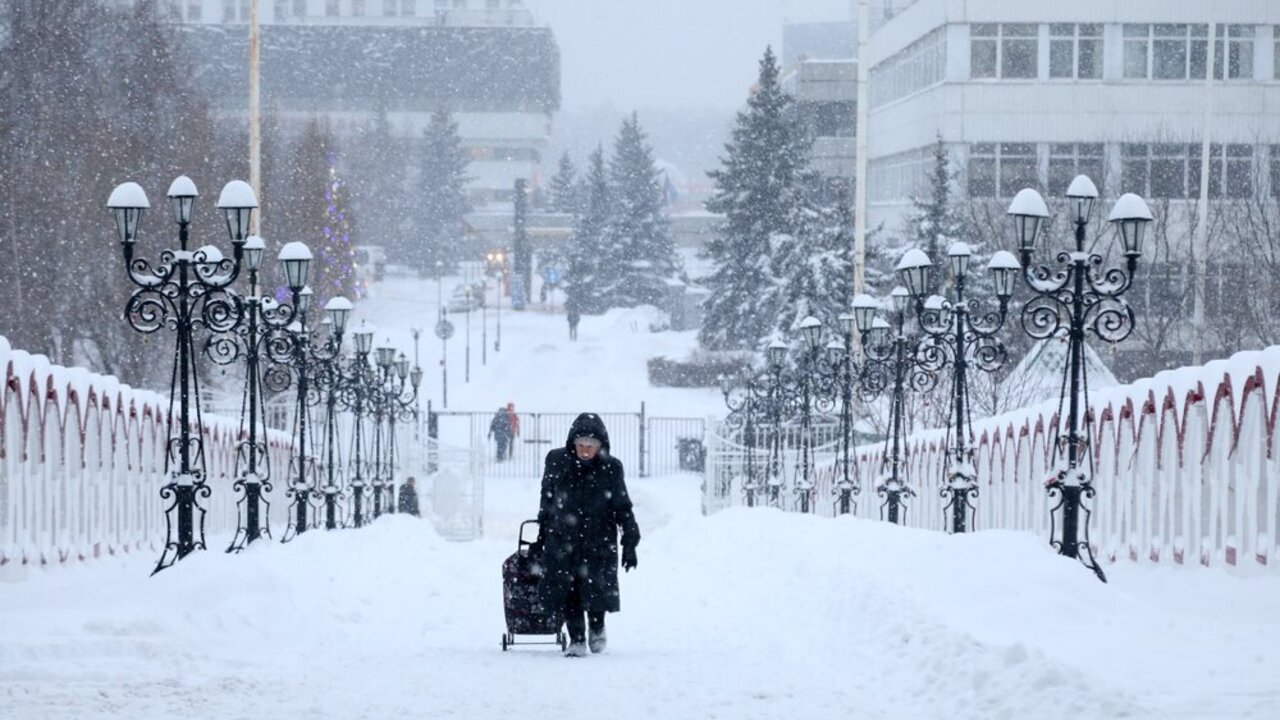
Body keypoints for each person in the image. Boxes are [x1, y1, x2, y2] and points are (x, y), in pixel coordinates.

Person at [536, 413, 640, 657]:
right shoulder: (557, 461)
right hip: (563, 538)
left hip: (599, 539)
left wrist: (630, 543)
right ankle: (577, 639)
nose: (585, 451)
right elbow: (547, 498)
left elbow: (622, 506)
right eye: (581, 445)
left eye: (591, 447)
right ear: (572, 443)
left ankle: (597, 626)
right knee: (567, 588)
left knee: (596, 587)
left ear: (600, 446)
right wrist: (543, 531)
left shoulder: (611, 468)